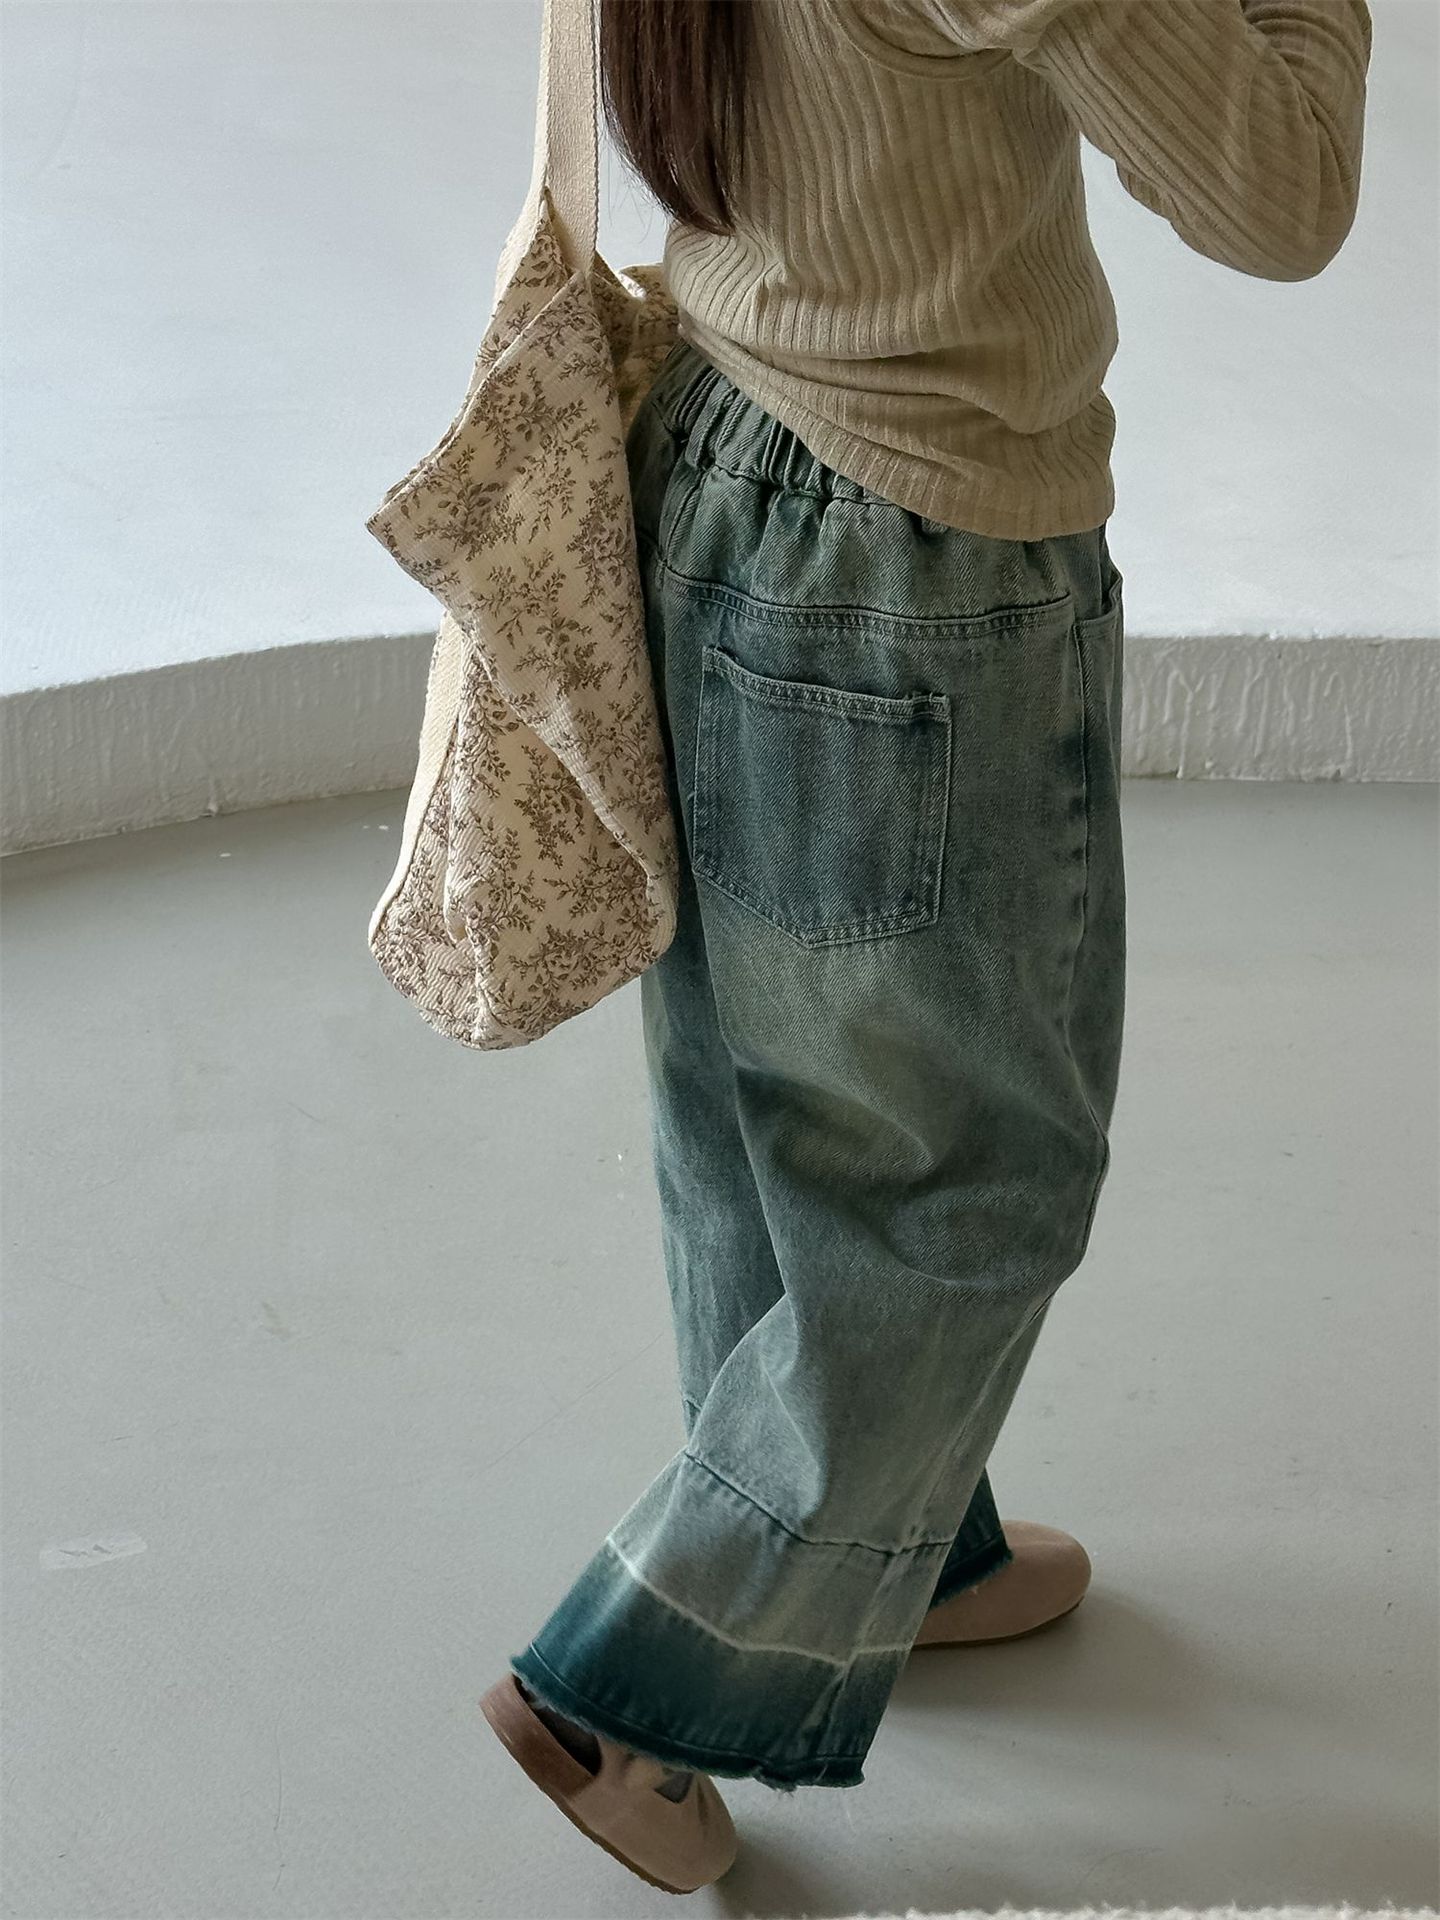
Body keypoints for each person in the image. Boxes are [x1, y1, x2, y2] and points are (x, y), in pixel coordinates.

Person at [479, 0, 1372, 1892]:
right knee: (969, 1183)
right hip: (911, 555)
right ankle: (630, 1695)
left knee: (760, 1110)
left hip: (717, 458)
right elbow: (1282, 196)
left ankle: (897, 1560)